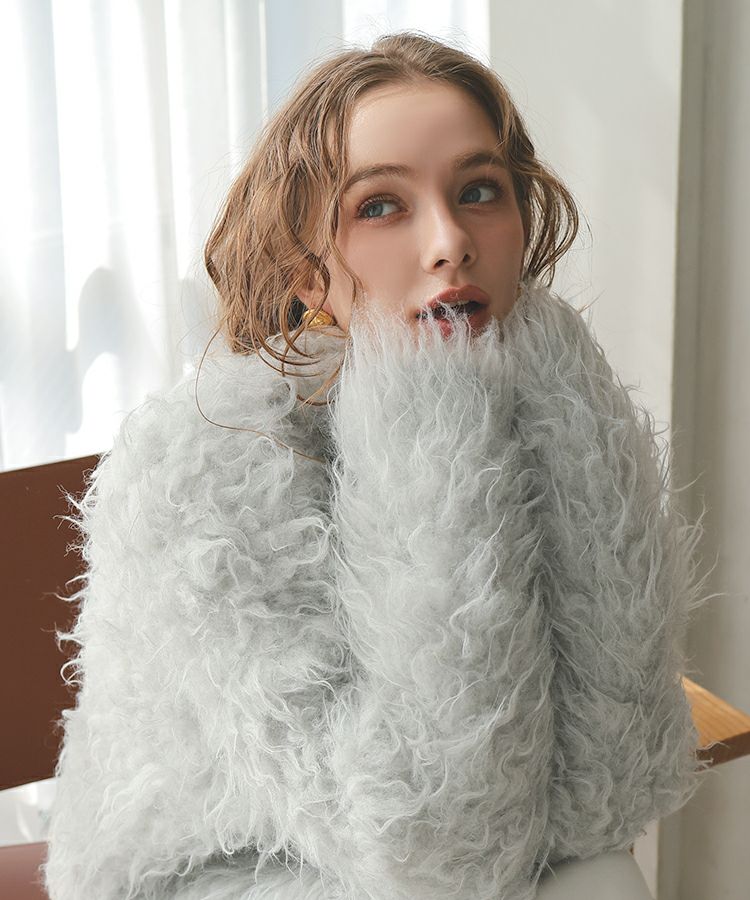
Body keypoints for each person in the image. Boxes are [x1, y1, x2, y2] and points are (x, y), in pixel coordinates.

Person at [42, 31, 711, 900]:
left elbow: (611, 786)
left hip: (474, 848)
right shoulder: (204, 472)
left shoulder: (557, 406)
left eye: (479, 191)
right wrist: (430, 429)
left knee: (603, 877)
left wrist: (495, 414)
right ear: (305, 271)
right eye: (382, 206)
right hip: (223, 870)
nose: (450, 242)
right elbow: (431, 836)